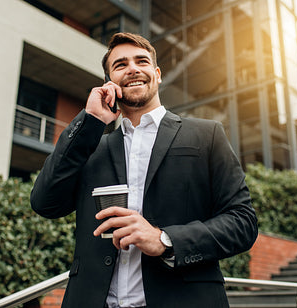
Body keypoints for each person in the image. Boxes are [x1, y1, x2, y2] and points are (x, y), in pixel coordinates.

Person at [31, 32, 258, 308]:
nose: (133, 69)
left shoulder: (206, 135)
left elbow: (243, 222)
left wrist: (165, 239)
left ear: (157, 73)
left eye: (142, 61)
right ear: (109, 82)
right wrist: (90, 120)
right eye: (120, 65)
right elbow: (44, 203)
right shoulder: (91, 147)